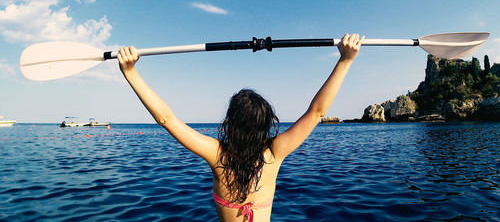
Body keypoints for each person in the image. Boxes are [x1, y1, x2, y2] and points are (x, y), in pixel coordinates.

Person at [118, 33, 364, 222]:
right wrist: (345, 60)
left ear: (229, 123)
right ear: (267, 124)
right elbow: (316, 112)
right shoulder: (274, 153)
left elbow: (166, 120)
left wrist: (130, 72)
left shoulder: (216, 154)